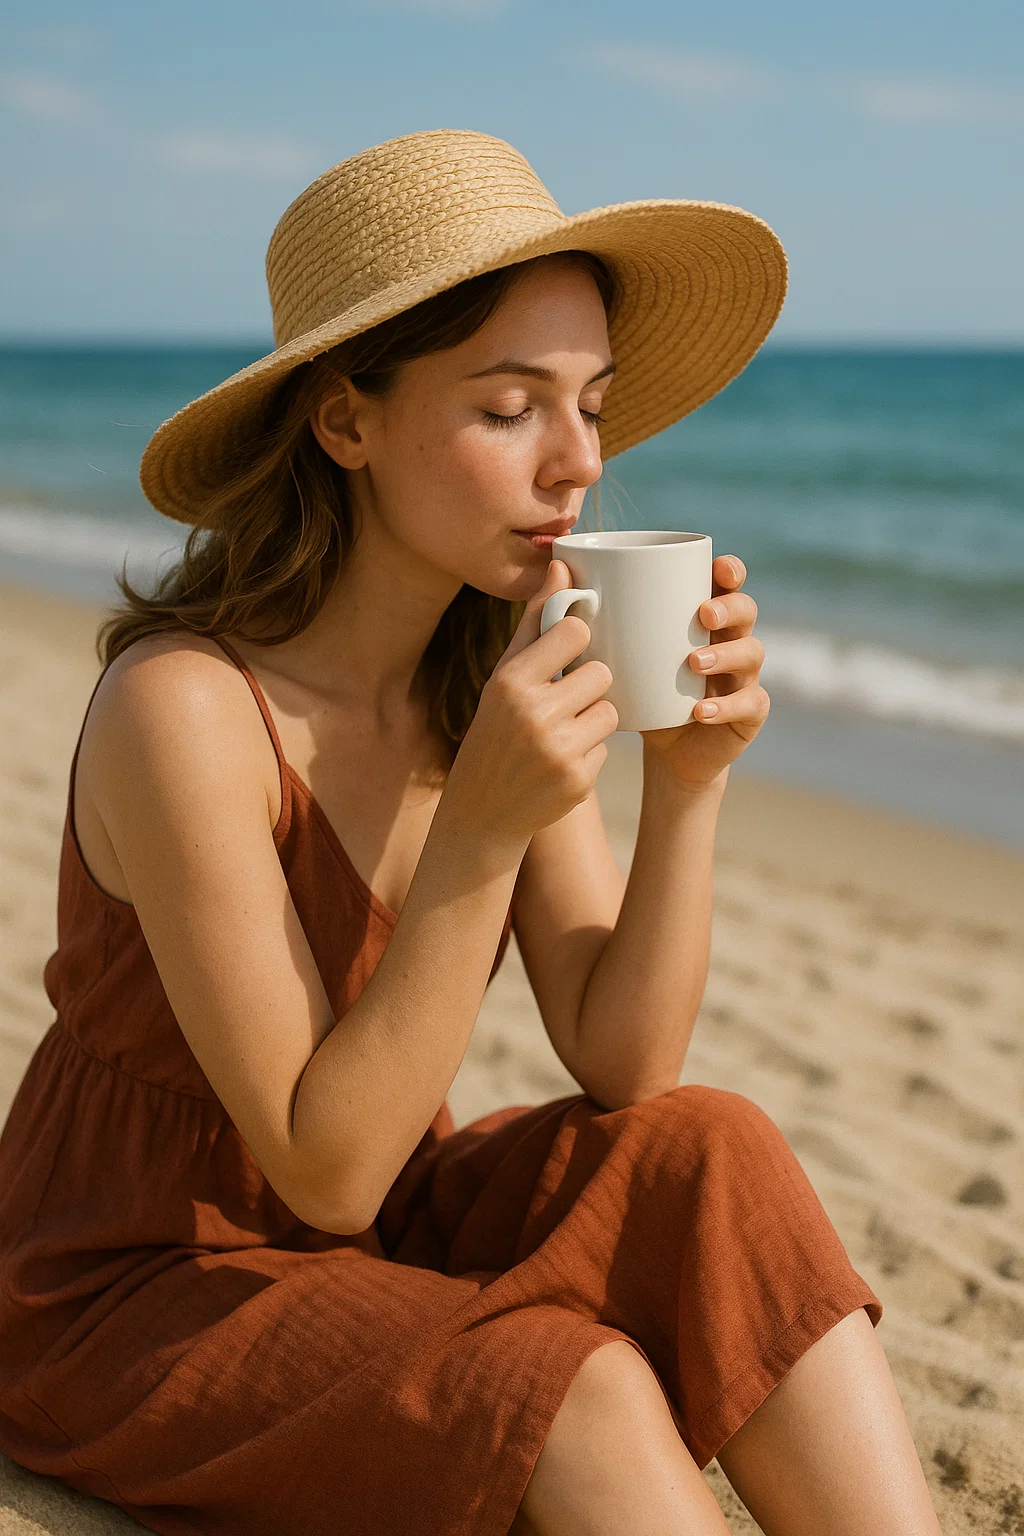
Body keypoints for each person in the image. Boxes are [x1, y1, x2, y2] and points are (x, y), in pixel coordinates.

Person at [0, 130, 941, 1535]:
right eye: (509, 409)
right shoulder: (184, 711)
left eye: (594, 407)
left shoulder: (480, 676)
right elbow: (322, 1170)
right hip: (137, 1283)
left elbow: (621, 1058)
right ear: (346, 423)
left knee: (710, 1147)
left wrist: (688, 783)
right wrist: (482, 832)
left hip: (369, 1230)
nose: (576, 465)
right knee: (580, 1388)